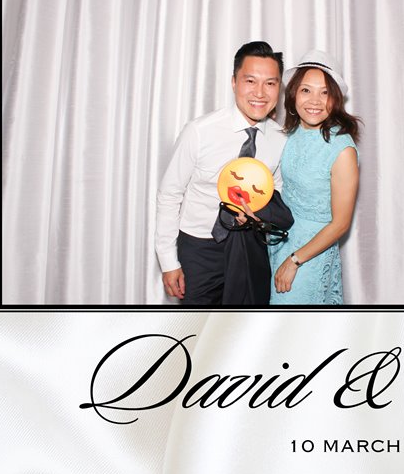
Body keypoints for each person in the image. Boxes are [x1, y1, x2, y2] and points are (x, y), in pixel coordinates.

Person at [155, 41, 291, 305]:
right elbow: (169, 194)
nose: (260, 92)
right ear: (233, 82)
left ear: (279, 88)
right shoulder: (199, 131)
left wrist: (260, 219)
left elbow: (276, 193)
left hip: (251, 247)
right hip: (200, 248)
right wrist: (168, 261)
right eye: (250, 81)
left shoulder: (280, 139)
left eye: (270, 83)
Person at [268, 50, 361, 304]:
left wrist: (295, 260)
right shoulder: (292, 132)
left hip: (309, 254)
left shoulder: (342, 150)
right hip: (278, 242)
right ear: (294, 94)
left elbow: (340, 224)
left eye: (325, 92)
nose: (315, 101)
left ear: (335, 99)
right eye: (306, 90)